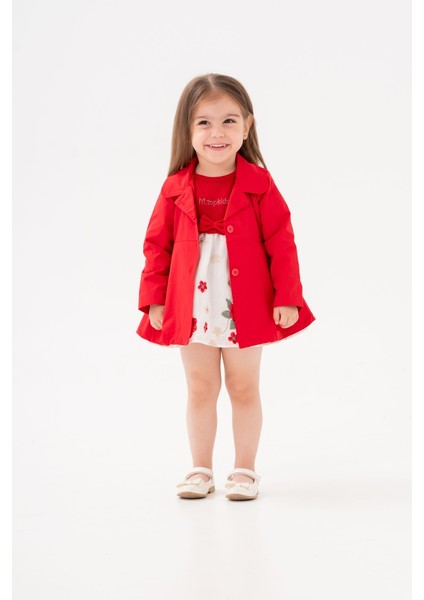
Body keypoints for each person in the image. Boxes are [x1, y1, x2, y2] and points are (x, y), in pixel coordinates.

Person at [136, 73, 315, 501]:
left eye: (229, 121)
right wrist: (154, 300)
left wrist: (288, 297)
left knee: (243, 386)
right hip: (190, 304)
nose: (217, 133)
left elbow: (282, 242)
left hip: (246, 304)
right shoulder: (174, 187)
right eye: (204, 122)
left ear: (247, 126)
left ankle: (244, 470)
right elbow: (157, 246)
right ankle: (200, 469)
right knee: (200, 387)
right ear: (187, 129)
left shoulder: (260, 185)